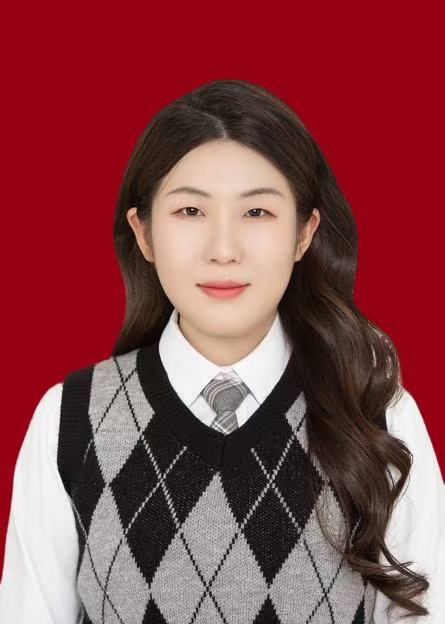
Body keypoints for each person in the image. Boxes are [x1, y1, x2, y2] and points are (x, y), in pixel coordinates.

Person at [0, 79, 443, 623]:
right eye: (190, 211)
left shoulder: (376, 412)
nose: (224, 250)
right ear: (144, 232)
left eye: (257, 213)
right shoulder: (71, 419)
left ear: (304, 234)